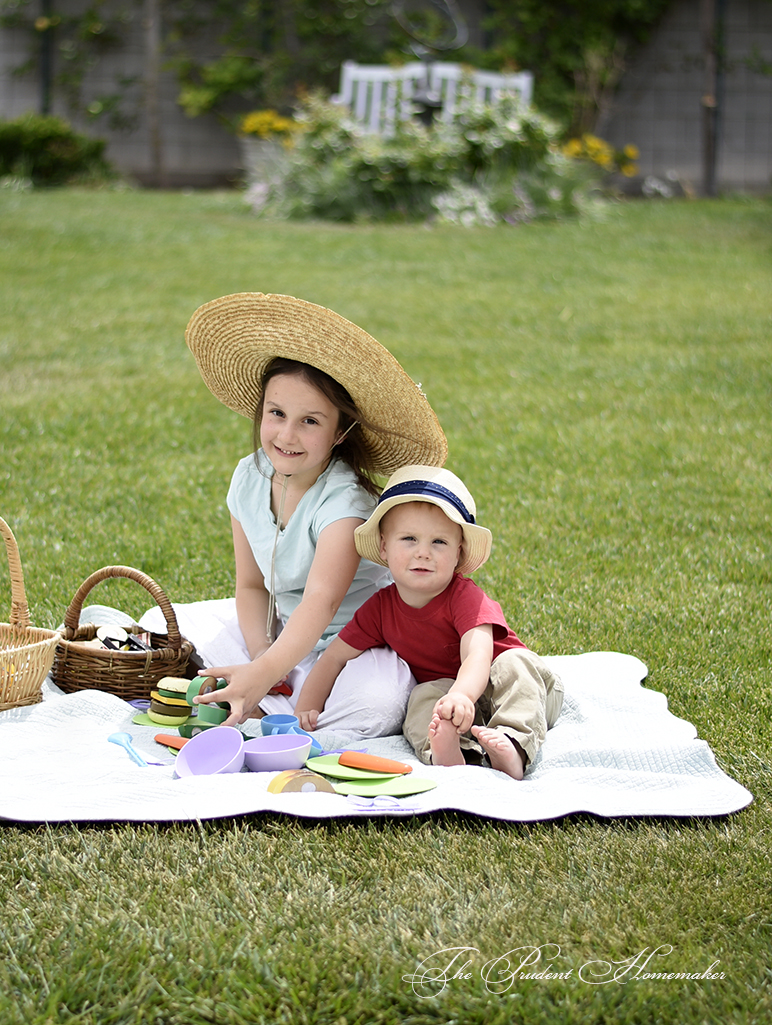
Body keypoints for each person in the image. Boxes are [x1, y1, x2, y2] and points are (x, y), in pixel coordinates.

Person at [162, 292, 448, 735]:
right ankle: (274, 696)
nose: (287, 435)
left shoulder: (345, 502)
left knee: (380, 700)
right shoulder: (248, 477)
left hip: (349, 646)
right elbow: (251, 584)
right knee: (177, 631)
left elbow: (322, 600)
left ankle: (281, 709)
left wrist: (264, 671)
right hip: (282, 633)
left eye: (310, 421)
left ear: (340, 432)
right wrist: (262, 656)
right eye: (277, 413)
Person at [293, 465, 564, 778]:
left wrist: (463, 695)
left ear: (459, 554)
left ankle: (513, 745)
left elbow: (478, 655)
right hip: (454, 701)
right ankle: (452, 753)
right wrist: (306, 706)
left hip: (511, 687)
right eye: (409, 539)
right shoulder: (381, 608)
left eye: (439, 542)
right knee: (422, 699)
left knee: (516, 664)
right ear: (384, 546)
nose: (423, 553)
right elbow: (336, 656)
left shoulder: (464, 597)